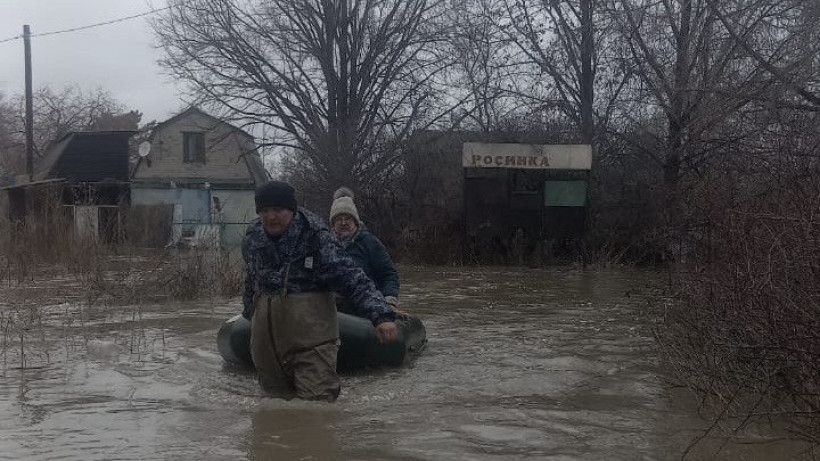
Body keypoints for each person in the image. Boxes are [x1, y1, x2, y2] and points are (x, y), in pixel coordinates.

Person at [241, 180, 398, 401]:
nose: (271, 217)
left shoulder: (315, 236)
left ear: (291, 210)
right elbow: (250, 279)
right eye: (265, 211)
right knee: (273, 412)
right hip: (268, 343)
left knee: (315, 410)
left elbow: (350, 275)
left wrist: (381, 315)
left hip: (311, 342)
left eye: (278, 210)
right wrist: (250, 312)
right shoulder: (253, 237)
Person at [329, 187, 402, 315]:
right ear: (333, 223)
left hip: (365, 307)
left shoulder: (370, 243)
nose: (343, 222)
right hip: (331, 309)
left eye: (348, 218)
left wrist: (389, 300)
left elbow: (388, 274)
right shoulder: (323, 244)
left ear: (355, 221)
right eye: (339, 219)